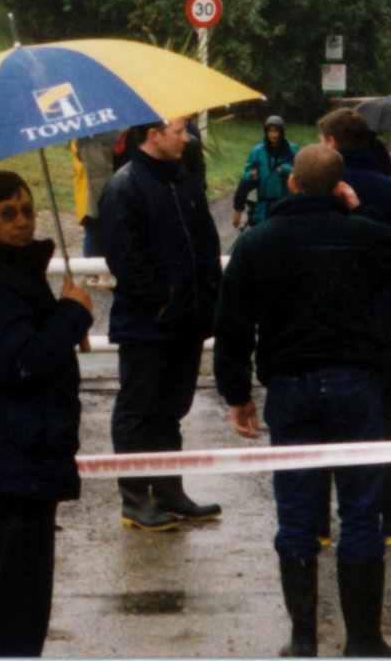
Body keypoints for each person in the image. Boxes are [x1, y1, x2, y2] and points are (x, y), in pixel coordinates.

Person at [214, 144, 391, 658]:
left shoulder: (258, 242)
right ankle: (364, 641)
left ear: (291, 183)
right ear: (338, 185)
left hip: (290, 388)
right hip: (355, 386)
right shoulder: (365, 234)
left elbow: (232, 325)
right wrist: (359, 208)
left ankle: (303, 640)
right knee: (360, 515)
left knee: (297, 517)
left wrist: (237, 394)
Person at [0, 170, 95, 657]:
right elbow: (21, 364)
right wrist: (71, 315)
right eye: (8, 213)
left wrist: (63, 317)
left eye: (27, 210)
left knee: (18, 602)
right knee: (8, 607)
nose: (23, 221)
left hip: (19, 460)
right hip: (3, 465)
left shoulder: (12, 273)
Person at [319, 107, 391, 544]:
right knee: (386, 420)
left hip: (321, 324)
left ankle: (317, 525)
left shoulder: (315, 188)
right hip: (378, 322)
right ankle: (390, 520)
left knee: (320, 423)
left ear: (331, 143)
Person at [101, 116, 224, 530]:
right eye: (179, 131)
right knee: (137, 409)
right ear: (153, 135)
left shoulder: (183, 180)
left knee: (171, 409)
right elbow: (124, 257)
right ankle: (135, 500)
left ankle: (169, 491)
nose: (187, 138)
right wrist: (159, 301)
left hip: (186, 320)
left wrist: (209, 297)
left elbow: (206, 242)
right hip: (147, 324)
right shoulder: (124, 187)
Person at [233, 116, 298, 228]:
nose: (273, 135)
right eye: (270, 131)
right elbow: (245, 181)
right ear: (266, 132)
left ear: (281, 132)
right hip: (263, 208)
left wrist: (286, 170)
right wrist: (238, 210)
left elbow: (301, 176)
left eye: (276, 131)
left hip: (286, 206)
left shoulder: (292, 150)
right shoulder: (257, 151)